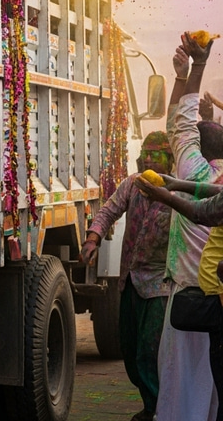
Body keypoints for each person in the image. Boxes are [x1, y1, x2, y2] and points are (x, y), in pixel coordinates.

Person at [151, 33, 223, 421]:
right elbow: (181, 127)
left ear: (199, 147)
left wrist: (194, 70)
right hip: (218, 300)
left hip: (190, 302)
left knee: (181, 389)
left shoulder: (192, 170)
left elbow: (180, 127)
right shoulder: (214, 178)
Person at [79, 131, 173, 421]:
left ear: (170, 160)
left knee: (149, 351)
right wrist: (92, 239)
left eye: (157, 154)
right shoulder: (133, 184)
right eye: (147, 153)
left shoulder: (178, 193)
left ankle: (156, 409)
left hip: (159, 286)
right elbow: (108, 211)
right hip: (130, 281)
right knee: (130, 350)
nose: (150, 159)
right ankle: (150, 403)